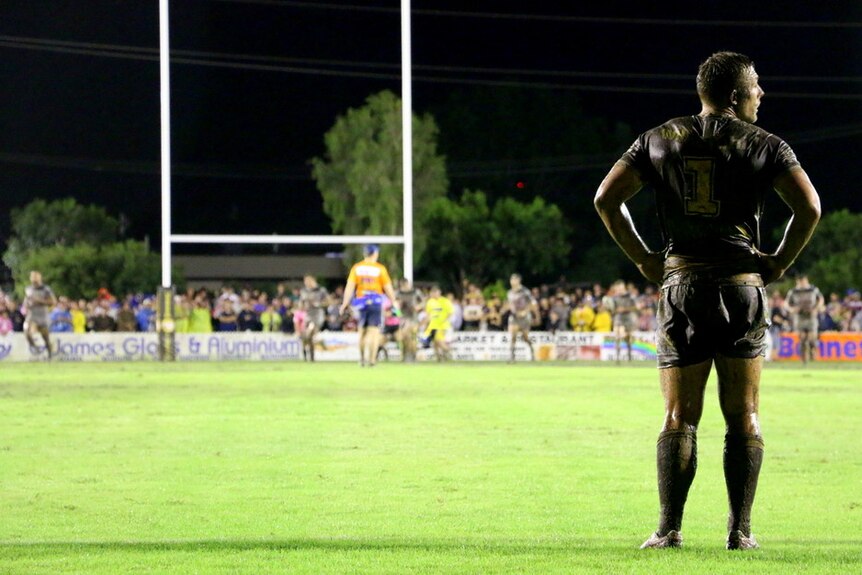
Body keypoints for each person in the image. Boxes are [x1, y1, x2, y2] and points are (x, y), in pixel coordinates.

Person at [594, 52, 820, 550]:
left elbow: (606, 199)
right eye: (757, 87)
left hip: (682, 286)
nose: (762, 94)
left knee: (679, 416)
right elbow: (809, 206)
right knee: (744, 413)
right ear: (737, 96)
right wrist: (778, 262)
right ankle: (740, 533)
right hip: (742, 286)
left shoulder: (657, 139)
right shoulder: (765, 144)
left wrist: (645, 261)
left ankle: (668, 529)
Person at [339, 244, 398, 367]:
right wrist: (394, 301)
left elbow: (350, 286)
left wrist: (345, 302)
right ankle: (372, 360)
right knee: (374, 332)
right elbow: (388, 287)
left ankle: (361, 359)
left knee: (362, 331)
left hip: (360, 302)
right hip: (375, 301)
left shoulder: (357, 268)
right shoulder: (379, 268)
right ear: (375, 254)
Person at [784, 275, 824, 364]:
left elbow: (821, 299)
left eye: (803, 281)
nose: (802, 284)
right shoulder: (793, 291)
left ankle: (812, 351)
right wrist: (792, 309)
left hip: (811, 316)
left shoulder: (813, 290)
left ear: (806, 281)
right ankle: (803, 359)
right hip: (799, 317)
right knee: (802, 338)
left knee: (811, 338)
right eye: (800, 282)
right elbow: (786, 303)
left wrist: (816, 308)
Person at [23, 270, 56, 359]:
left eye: (35, 276)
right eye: (32, 276)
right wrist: (26, 305)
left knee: (45, 338)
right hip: (32, 315)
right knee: (27, 332)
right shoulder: (28, 289)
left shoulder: (46, 289)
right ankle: (34, 347)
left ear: (39, 277)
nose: (33, 278)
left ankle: (50, 354)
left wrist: (39, 300)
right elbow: (26, 300)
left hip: (43, 316)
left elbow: (53, 302)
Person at [504, 273, 536, 362]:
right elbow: (509, 303)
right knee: (513, 335)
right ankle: (512, 356)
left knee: (525, 337)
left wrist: (525, 312)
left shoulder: (525, 291)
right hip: (514, 316)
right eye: (511, 280)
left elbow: (532, 303)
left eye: (514, 280)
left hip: (524, 317)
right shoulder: (509, 292)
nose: (512, 282)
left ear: (518, 281)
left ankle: (532, 350)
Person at [605, 280, 638, 362]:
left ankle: (629, 355)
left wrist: (624, 309)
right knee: (617, 336)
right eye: (617, 289)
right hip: (618, 318)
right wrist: (610, 309)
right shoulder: (614, 298)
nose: (618, 291)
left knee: (627, 338)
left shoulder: (630, 296)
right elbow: (613, 310)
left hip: (628, 318)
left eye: (620, 289)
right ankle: (617, 357)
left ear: (623, 288)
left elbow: (635, 308)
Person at [299, 275, 329, 361]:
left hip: (317, 315)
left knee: (310, 333)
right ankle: (310, 356)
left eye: (308, 281)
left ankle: (311, 354)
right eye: (305, 281)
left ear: (313, 281)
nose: (306, 283)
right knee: (307, 337)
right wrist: (301, 307)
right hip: (308, 315)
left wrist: (318, 304)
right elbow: (301, 303)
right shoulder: (304, 291)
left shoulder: (321, 290)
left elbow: (328, 301)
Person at [421, 285, 453, 361]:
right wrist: (425, 325)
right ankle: (439, 358)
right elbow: (428, 315)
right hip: (433, 325)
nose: (435, 294)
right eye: (433, 292)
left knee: (439, 341)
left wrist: (444, 320)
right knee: (435, 342)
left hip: (443, 325)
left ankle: (449, 352)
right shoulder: (430, 302)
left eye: (436, 292)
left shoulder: (445, 301)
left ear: (439, 292)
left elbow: (450, 313)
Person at [396, 278, 421, 362]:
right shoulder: (398, 293)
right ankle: (404, 355)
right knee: (404, 338)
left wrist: (417, 307)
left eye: (405, 285)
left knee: (412, 337)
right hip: (403, 319)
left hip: (413, 318)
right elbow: (395, 307)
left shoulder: (415, 292)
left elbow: (423, 302)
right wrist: (398, 311)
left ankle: (413, 355)